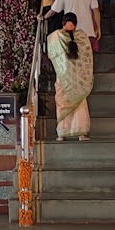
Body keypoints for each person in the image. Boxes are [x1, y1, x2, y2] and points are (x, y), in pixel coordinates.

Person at [46, 11, 93, 141]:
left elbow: (86, 57)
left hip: (74, 77)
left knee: (76, 102)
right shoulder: (58, 36)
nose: (69, 26)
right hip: (67, 76)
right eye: (69, 24)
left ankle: (77, 132)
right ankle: (64, 132)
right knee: (66, 101)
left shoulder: (79, 37)